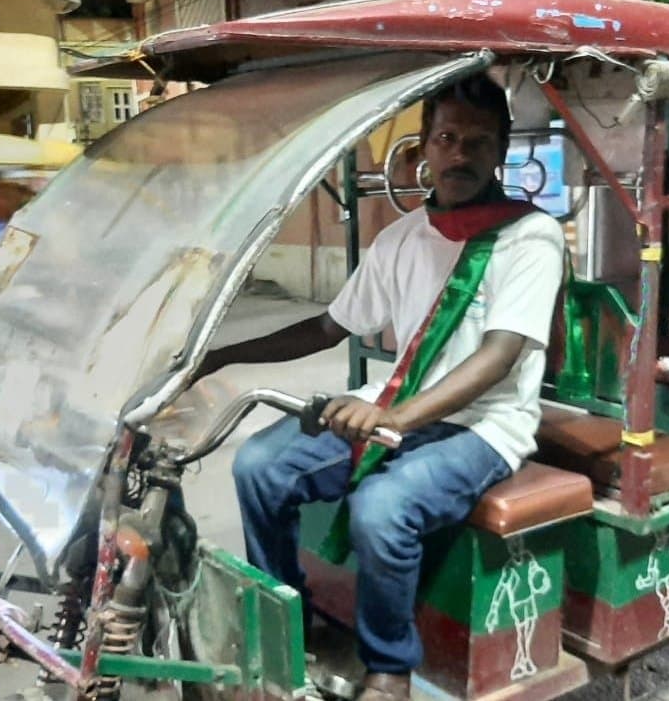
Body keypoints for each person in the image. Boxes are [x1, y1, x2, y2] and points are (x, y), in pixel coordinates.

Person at [196, 72, 565, 700]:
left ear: (501, 151)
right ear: (423, 148)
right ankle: (289, 619)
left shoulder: (529, 236)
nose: (461, 153)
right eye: (447, 137)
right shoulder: (399, 239)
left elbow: (500, 356)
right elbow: (324, 326)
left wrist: (399, 417)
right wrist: (213, 356)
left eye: (479, 141)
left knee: (383, 507)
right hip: (397, 405)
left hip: (485, 426)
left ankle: (390, 666)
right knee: (259, 464)